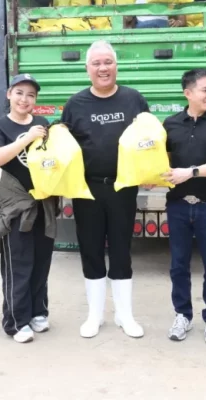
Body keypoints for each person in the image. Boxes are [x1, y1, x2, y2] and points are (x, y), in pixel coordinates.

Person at [61, 40, 150, 339]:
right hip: (87, 189)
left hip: (123, 187)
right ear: (87, 69)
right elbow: (64, 148)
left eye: (108, 62)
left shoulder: (134, 100)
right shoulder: (75, 105)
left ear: (116, 66)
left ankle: (125, 316)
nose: (103, 68)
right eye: (96, 63)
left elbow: (148, 139)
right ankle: (95, 316)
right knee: (91, 250)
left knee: (122, 250)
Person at [161, 69, 206, 345]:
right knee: (178, 265)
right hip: (178, 205)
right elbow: (160, 162)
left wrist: (188, 173)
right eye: (205, 90)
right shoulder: (170, 124)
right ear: (188, 93)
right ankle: (182, 315)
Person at [0, 73, 57, 344]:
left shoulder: (42, 122)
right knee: (18, 263)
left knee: (41, 261)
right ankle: (15, 320)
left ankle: (38, 311)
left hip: (43, 204)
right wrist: (25, 139)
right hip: (15, 207)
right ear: (9, 95)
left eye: (30, 95)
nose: (25, 99)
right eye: (19, 93)